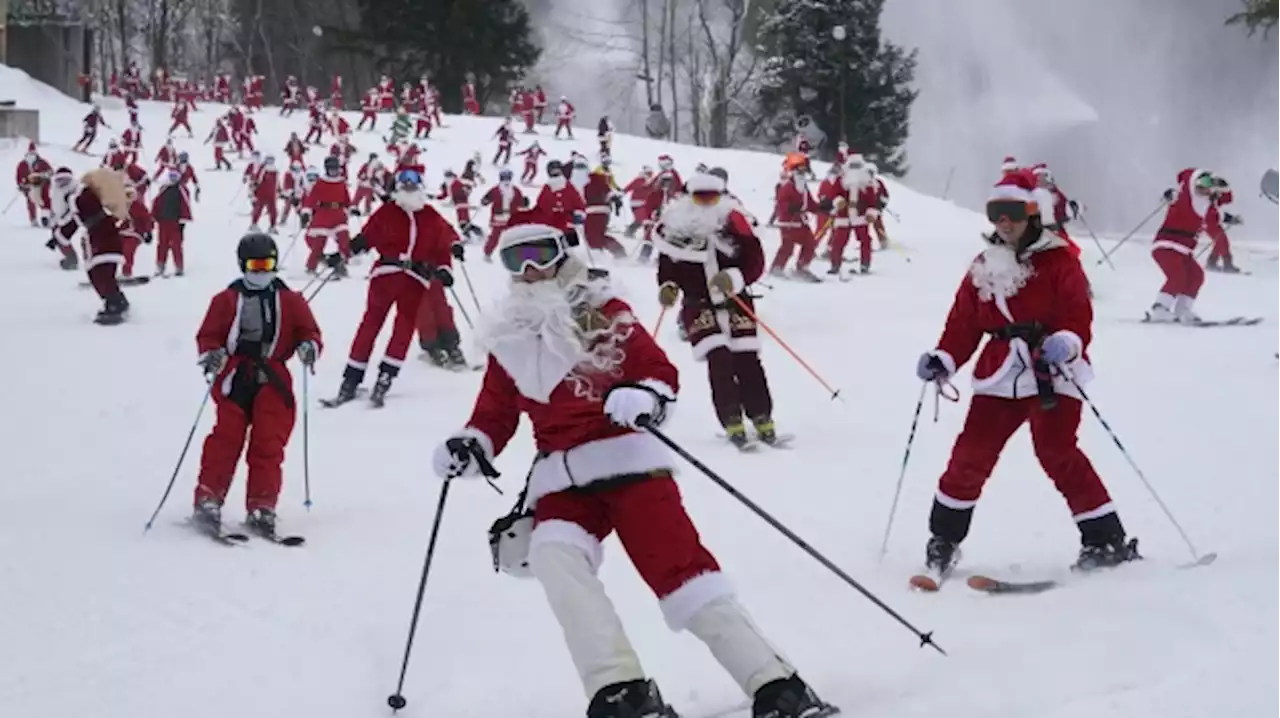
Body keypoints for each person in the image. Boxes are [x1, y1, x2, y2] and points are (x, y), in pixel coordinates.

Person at [431, 208, 831, 718]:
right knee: (554, 556)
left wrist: (644, 394)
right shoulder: (508, 336)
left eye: (541, 254)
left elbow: (656, 368)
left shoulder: (602, 308)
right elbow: (494, 411)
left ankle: (775, 682)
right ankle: (620, 689)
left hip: (627, 462)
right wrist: (473, 443)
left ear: (564, 251)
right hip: (562, 477)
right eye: (517, 257)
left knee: (680, 572)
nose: (531, 270)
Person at [913, 171, 1140, 587]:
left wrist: (1067, 342)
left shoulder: (1060, 261)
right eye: (996, 212)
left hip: (1050, 371)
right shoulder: (985, 265)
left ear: (1033, 214)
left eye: (1013, 212)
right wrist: (944, 358)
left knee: (1056, 451)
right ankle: (943, 539)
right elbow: (963, 324)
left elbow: (1077, 315)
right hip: (998, 374)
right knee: (970, 456)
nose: (1003, 221)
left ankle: (1106, 539)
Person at [193, 233, 322, 535]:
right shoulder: (226, 300)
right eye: (255, 265)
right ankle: (209, 498)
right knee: (225, 439)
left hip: (273, 379)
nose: (262, 272)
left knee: (269, 442)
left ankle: (262, 505)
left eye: (268, 265)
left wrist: (309, 346)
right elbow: (208, 334)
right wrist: (212, 355)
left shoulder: (290, 300)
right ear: (243, 265)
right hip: (236, 376)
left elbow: (309, 331)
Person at [654, 172, 778, 447]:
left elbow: (755, 261)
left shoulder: (735, 222)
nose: (707, 203)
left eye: (713, 197)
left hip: (736, 299)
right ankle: (731, 419)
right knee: (719, 358)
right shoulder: (675, 227)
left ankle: (762, 415)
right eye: (701, 197)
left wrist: (735, 278)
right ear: (689, 197)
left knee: (747, 358)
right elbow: (668, 267)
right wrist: (668, 286)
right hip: (698, 303)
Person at [328, 168, 459, 407]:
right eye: (404, 181)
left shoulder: (430, 216)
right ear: (397, 186)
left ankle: (385, 376)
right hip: (386, 274)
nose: (409, 185)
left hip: (415, 279)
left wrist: (446, 265)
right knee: (371, 325)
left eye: (414, 181)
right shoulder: (388, 212)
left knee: (403, 328)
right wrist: (344, 254)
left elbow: (444, 243)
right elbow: (366, 238)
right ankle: (351, 379)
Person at [1146, 168, 1231, 323]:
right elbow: (1168, 194)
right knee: (1178, 276)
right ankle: (1159, 309)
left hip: (1184, 250)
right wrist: (1167, 194)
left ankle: (1183, 309)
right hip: (1167, 246)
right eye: (1200, 184)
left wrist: (1229, 216)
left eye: (1208, 186)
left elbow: (1216, 213)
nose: (1203, 189)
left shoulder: (1206, 204)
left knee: (1196, 275)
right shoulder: (1182, 196)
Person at [49, 167, 131, 324]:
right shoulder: (75, 195)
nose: (62, 184)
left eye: (65, 180)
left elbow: (76, 218)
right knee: (97, 272)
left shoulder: (79, 194)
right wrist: (59, 236)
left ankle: (114, 304)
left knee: (101, 271)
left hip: (103, 234)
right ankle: (116, 301)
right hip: (98, 234)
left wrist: (61, 235)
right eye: (58, 181)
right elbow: (75, 219)